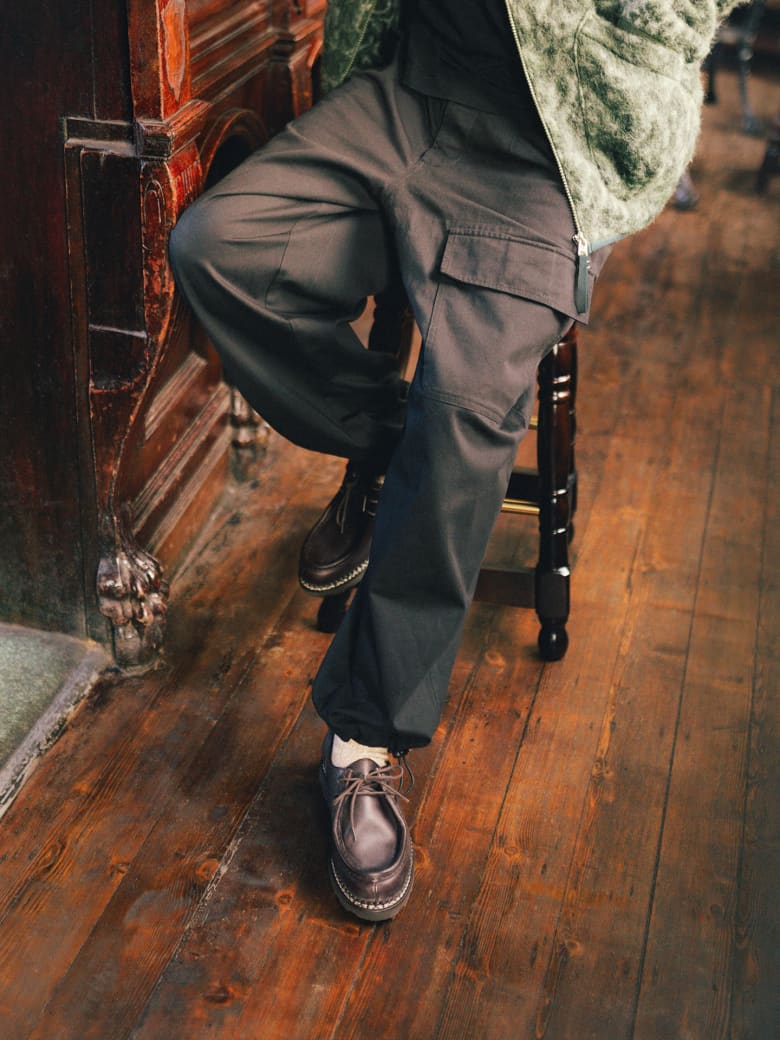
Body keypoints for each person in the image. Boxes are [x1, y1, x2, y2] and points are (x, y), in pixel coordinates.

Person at [169, 0, 741, 922]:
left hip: (551, 135)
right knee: (220, 249)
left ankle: (363, 741)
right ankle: (404, 451)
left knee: (468, 408)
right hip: (410, 88)